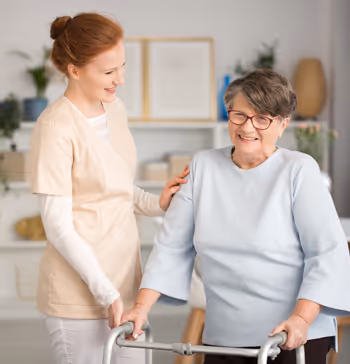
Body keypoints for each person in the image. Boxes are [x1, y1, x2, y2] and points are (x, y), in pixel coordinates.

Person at [122, 69, 350, 364]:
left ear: (282, 125)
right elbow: (171, 246)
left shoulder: (299, 170)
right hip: (224, 338)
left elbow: (327, 254)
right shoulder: (203, 167)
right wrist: (141, 308)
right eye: (239, 115)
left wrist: (302, 320)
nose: (248, 127)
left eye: (263, 118)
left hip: (293, 334)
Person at [29, 12, 189, 364]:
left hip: (125, 284)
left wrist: (155, 202)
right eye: (108, 71)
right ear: (74, 70)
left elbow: (115, 186)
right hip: (80, 296)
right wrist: (107, 294)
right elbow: (57, 225)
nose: (121, 78)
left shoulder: (115, 110)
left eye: (122, 66)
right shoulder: (54, 127)